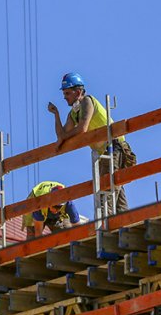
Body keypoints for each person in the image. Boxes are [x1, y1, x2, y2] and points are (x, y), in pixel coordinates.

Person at [47, 72, 136, 212]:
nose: (65, 97)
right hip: (103, 152)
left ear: (78, 92)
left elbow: (82, 128)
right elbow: (61, 135)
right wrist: (56, 114)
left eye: (68, 93)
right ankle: (124, 225)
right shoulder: (73, 113)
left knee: (107, 193)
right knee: (114, 190)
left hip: (114, 147)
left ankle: (109, 226)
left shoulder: (87, 101)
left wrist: (64, 137)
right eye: (64, 93)